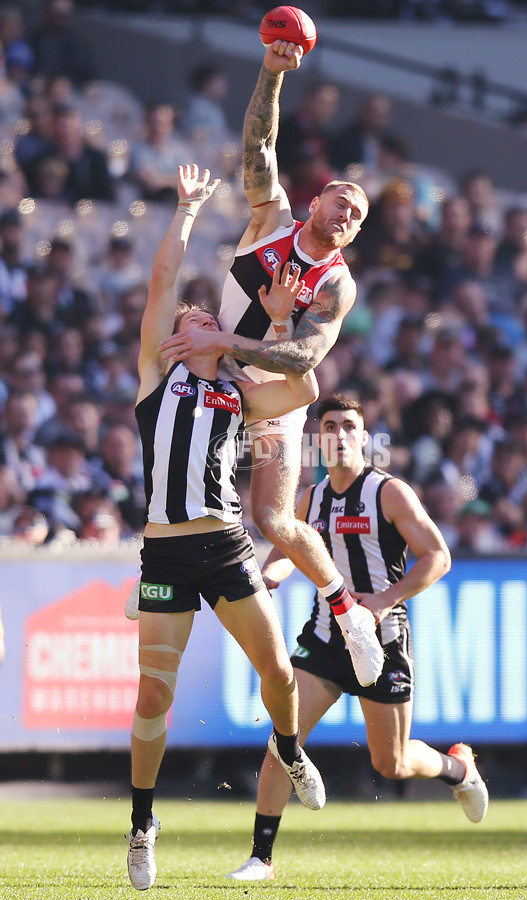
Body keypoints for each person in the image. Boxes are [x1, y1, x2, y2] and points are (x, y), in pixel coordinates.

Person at [158, 39, 383, 690]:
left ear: (355, 235)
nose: (347, 214)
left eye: (359, 215)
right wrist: (272, 73)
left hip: (274, 393)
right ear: (314, 203)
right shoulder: (271, 218)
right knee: (165, 433)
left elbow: (302, 359)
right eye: (341, 200)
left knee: (277, 520)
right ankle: (159, 572)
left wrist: (230, 342)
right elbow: (259, 148)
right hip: (219, 372)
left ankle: (346, 611)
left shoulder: (337, 285)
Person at [126, 163, 325, 892]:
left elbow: (305, 386)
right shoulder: (160, 374)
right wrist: (185, 209)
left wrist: (269, 327)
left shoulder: (235, 392)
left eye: (211, 316)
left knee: (278, 674)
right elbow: (162, 282)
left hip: (225, 545)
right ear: (180, 335)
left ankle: (289, 747)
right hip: (167, 553)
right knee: (153, 696)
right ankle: (143, 823)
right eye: (197, 317)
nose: (207, 315)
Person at [226, 394, 489, 882]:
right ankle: (261, 857)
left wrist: (385, 599)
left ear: (364, 438)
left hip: (383, 640)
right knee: (283, 741)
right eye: (331, 426)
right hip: (326, 640)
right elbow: (292, 547)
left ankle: (459, 770)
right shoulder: (310, 498)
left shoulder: (389, 493)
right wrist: (272, 574)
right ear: (318, 439)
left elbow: (438, 557)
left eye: (350, 426)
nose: (341, 435)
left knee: (390, 762)